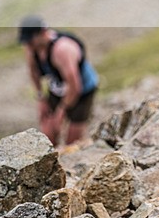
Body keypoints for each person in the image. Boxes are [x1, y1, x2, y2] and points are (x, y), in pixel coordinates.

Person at [19, 15, 99, 146]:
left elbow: (75, 86)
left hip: (83, 90)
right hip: (58, 87)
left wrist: (62, 111)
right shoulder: (31, 49)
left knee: (72, 141)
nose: (28, 45)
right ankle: (52, 159)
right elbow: (34, 71)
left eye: (30, 41)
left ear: (41, 33)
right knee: (48, 130)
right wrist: (40, 98)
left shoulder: (62, 50)